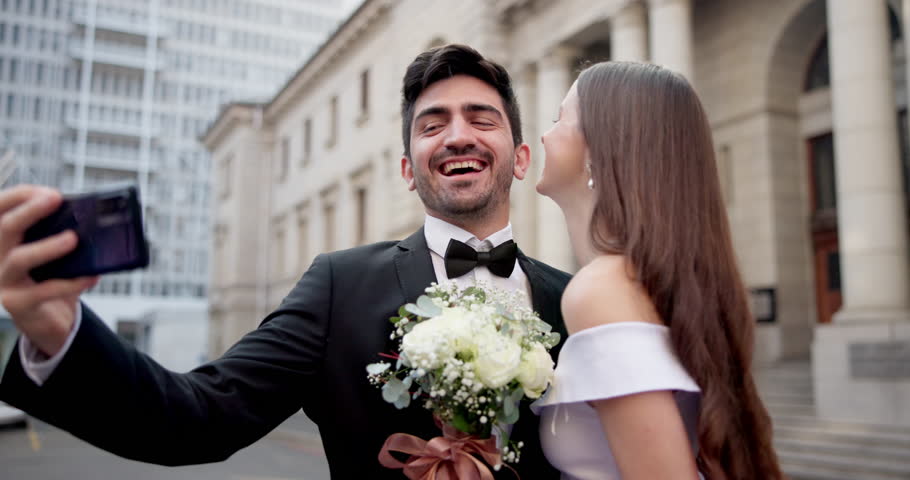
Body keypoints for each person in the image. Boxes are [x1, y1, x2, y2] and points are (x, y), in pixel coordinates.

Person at [0, 44, 570, 479]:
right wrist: (58, 328)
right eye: (432, 124)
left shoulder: (574, 302)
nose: (457, 136)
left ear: (520, 158)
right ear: (406, 169)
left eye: (482, 118)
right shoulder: (336, 286)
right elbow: (196, 418)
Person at [532, 61, 784, 479]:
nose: (544, 134)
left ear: (599, 147)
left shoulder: (601, 291)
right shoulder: (652, 283)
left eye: (560, 119)